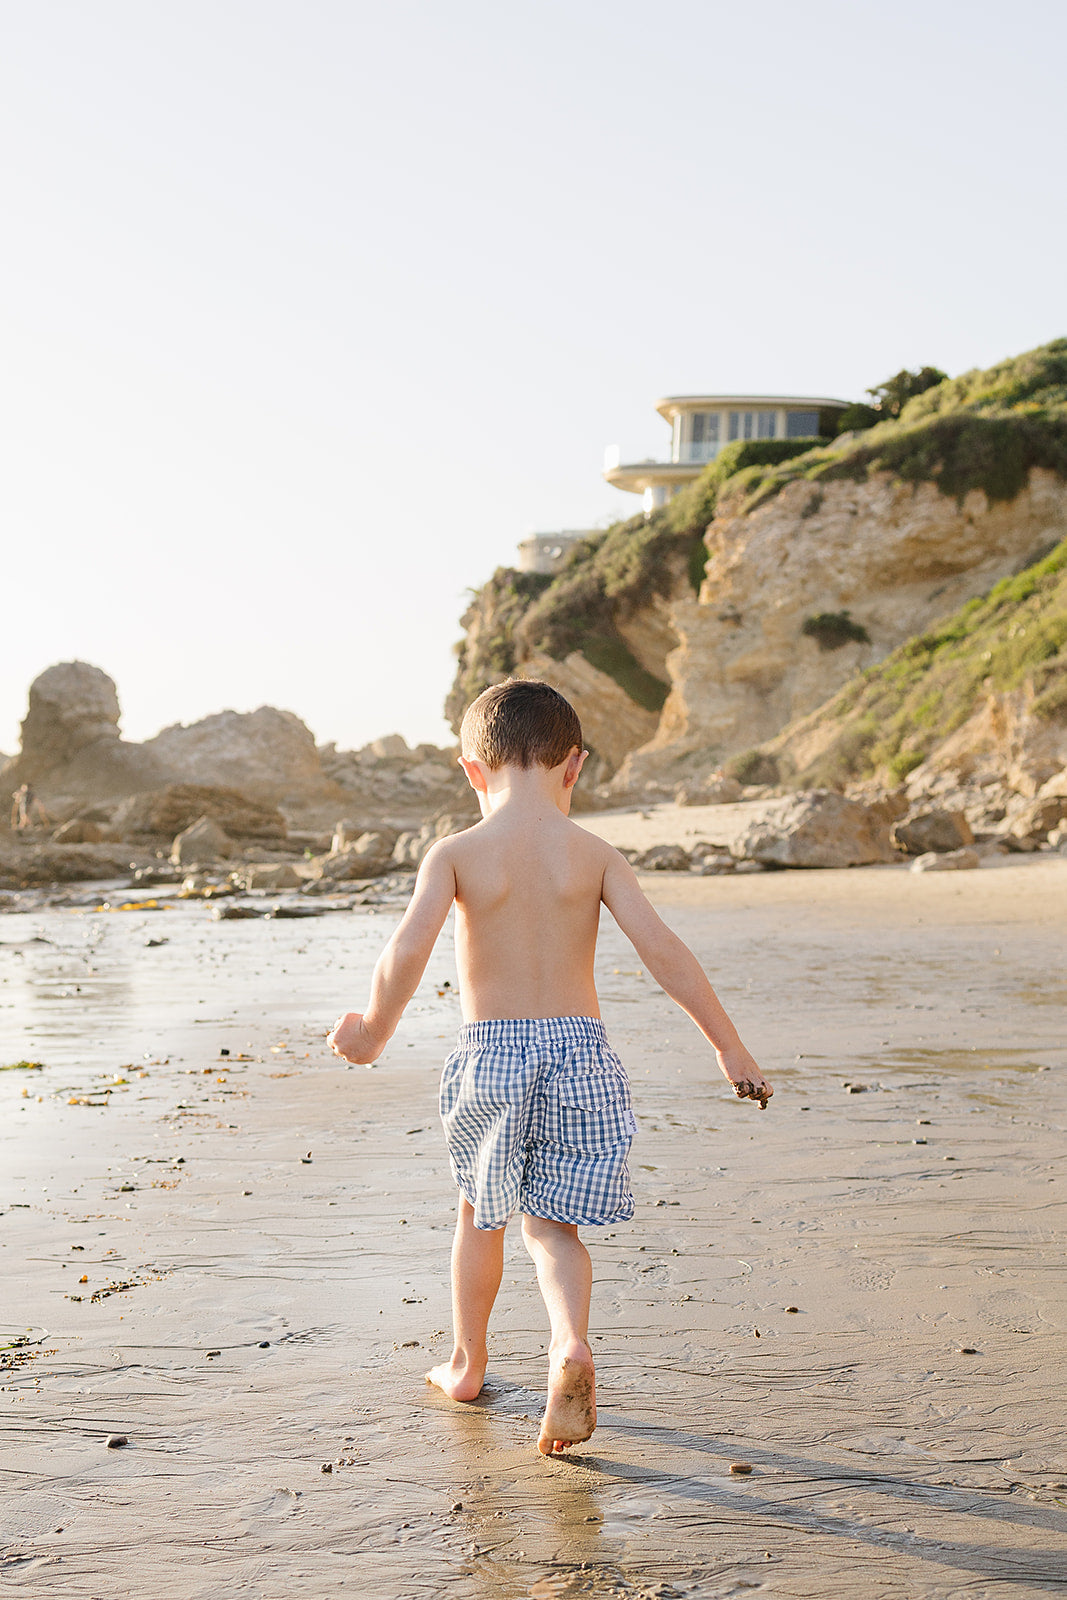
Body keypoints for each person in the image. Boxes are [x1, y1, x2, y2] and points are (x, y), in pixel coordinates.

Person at [328, 679, 771, 1455]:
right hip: (580, 1053)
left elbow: (408, 948)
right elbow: (663, 951)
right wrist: (726, 1045)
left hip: (492, 1052)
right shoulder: (594, 855)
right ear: (575, 767)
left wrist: (372, 1030)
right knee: (552, 1225)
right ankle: (569, 1342)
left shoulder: (458, 853)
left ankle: (467, 1364)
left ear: (472, 771)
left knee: (479, 1210)